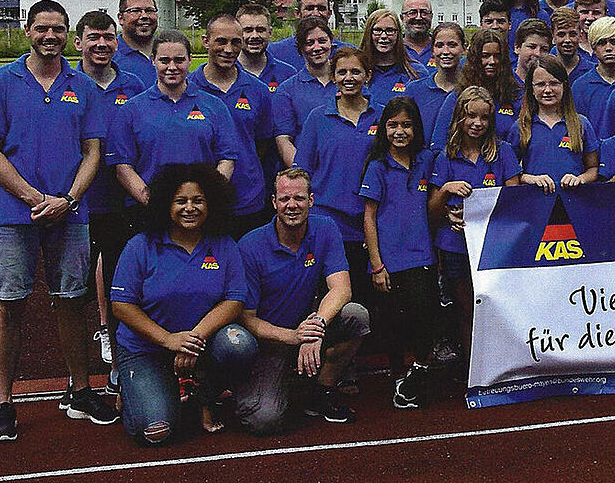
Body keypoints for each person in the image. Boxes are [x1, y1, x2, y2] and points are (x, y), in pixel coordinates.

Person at [0, 0, 118, 442]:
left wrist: (67, 199)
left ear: (68, 35)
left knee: (71, 300)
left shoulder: (83, 86)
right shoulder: (1, 81)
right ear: (28, 31)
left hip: (69, 215)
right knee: (10, 304)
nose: (50, 36)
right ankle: (4, 403)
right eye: (42, 28)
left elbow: (93, 152)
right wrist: (33, 197)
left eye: (58, 29)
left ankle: (80, 391)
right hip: (13, 215)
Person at [111, 164, 255, 442]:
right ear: (166, 204)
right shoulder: (140, 246)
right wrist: (167, 340)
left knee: (239, 346)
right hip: (147, 350)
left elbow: (234, 300)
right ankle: (136, 392)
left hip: (201, 346)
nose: (190, 208)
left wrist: (192, 339)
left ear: (211, 203)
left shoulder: (224, 245)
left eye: (198, 200)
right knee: (156, 433)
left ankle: (204, 394)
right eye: (181, 201)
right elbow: (121, 305)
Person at [237, 168, 370, 431]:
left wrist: (316, 327)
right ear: (274, 202)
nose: (292, 206)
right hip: (269, 340)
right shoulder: (250, 246)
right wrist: (292, 337)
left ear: (311, 200)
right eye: (285, 199)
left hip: (307, 326)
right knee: (264, 421)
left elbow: (342, 289)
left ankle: (322, 390)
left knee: (357, 315)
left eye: (299, 198)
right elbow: (246, 319)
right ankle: (269, 384)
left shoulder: (326, 228)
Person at [74, 10, 146, 386]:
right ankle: (77, 379)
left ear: (116, 42)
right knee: (73, 295)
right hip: (77, 205)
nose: (102, 44)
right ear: (79, 42)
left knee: (122, 285)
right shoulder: (67, 83)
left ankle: (121, 367)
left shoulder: (133, 84)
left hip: (121, 204)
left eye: (108, 37)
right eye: (94, 37)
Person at [429, 86, 522, 363]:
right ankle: (474, 369)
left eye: (483, 118)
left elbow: (513, 198)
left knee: (497, 308)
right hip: (456, 246)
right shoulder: (446, 156)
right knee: (466, 308)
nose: (477, 124)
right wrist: (447, 191)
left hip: (494, 246)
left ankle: (502, 363)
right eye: (471, 116)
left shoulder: (503, 152)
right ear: (460, 117)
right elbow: (432, 210)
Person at [359, 99, 439, 409]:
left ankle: (418, 371)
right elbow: (369, 216)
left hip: (422, 257)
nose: (400, 131)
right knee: (393, 323)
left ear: (416, 128)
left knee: (424, 317)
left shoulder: (426, 160)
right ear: (383, 129)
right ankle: (397, 375)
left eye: (406, 125)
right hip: (389, 262)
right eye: (393, 125)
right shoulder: (377, 166)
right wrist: (377, 265)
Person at [109, 29, 237, 210]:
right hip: (149, 209)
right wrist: (154, 202)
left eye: (179, 60)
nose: (172, 67)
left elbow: (227, 159)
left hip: (200, 211)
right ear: (153, 60)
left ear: (190, 60)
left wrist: (206, 197)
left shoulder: (214, 106)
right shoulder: (131, 109)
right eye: (164, 60)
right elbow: (123, 167)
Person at [293, 48, 382, 308]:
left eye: (355, 71)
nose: (349, 77)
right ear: (333, 76)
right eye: (342, 72)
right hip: (329, 223)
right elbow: (302, 172)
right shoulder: (318, 118)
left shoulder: (383, 115)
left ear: (368, 75)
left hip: (370, 221)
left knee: (368, 301)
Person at [188, 14, 274, 239]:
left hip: (248, 200)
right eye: (221, 41)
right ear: (206, 42)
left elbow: (262, 142)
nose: (228, 49)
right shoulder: (188, 89)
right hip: (200, 203)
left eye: (236, 42)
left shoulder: (258, 90)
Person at [510, 56, 599, 192]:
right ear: (531, 89)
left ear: (564, 85)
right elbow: (510, 173)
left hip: (573, 202)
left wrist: (580, 179)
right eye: (540, 84)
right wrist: (530, 178)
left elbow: (593, 168)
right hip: (537, 203)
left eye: (554, 83)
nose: (547, 90)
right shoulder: (521, 127)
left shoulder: (581, 124)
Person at [431, 29, 522, 149]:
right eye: (485, 56)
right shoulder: (457, 97)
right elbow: (438, 144)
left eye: (497, 56)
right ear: (475, 58)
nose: (492, 61)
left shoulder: (515, 95)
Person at [273, 17, 339, 165]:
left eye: (322, 41)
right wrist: (302, 173)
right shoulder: (287, 90)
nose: (317, 47)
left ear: (331, 41)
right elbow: (284, 140)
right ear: (300, 47)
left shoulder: (348, 83)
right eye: (310, 43)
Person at [571, 17, 615, 136]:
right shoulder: (580, 87)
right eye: (601, 43)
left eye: (614, 42)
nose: (608, 48)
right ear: (593, 47)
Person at [267, 0, 354, 72]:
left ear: (329, 14)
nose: (315, 13)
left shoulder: (349, 53)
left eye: (321, 8)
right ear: (297, 13)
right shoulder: (275, 52)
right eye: (309, 8)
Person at [406, 22, 464, 148]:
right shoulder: (414, 90)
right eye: (439, 45)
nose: (446, 51)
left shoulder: (471, 90)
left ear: (463, 48)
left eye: (452, 45)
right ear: (432, 50)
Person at [360, 9, 425, 106]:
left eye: (390, 31)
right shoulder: (357, 71)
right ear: (369, 33)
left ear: (398, 34)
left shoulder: (416, 72)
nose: (383, 36)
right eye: (377, 30)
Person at [236, 4, 297, 93]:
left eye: (260, 30)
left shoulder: (288, 74)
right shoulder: (226, 72)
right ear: (237, 33)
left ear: (270, 32)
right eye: (248, 30)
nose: (254, 36)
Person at [114, 0, 160, 87]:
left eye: (149, 10)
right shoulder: (110, 57)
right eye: (136, 11)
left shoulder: (170, 54)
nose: (144, 16)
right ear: (121, 18)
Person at [550, 6, 594, 82]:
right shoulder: (545, 71)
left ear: (580, 35)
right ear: (553, 36)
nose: (567, 40)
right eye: (561, 34)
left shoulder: (592, 71)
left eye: (572, 34)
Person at [572, 0, 611, 64]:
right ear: (575, 13)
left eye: (596, 13)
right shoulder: (565, 47)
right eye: (584, 12)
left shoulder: (614, 47)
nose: (590, 18)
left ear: (606, 14)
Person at [512, 18, 553, 88]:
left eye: (544, 49)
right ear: (517, 48)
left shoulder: (551, 87)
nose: (537, 53)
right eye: (532, 47)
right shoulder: (504, 83)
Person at [400, 0, 435, 68]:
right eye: (412, 13)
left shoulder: (441, 48)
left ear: (431, 17)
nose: (418, 17)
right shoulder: (394, 49)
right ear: (402, 18)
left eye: (424, 13)